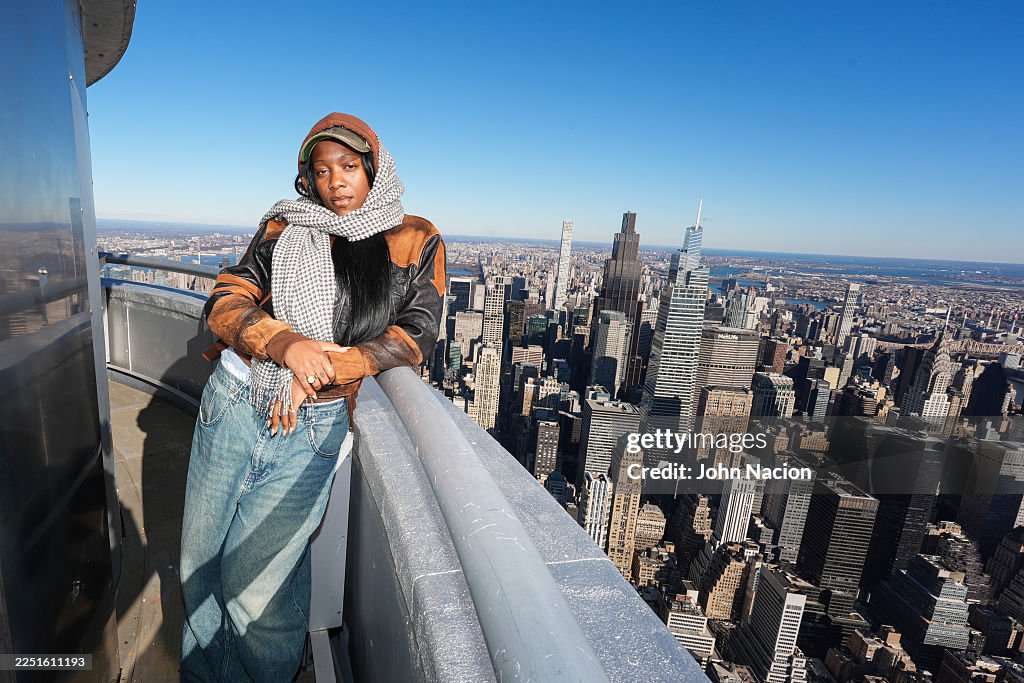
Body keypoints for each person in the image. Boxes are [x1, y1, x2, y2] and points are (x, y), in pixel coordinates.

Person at [179, 112, 445, 682]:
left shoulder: (414, 238)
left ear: (374, 168)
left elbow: (414, 334)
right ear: (309, 179)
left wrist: (324, 368)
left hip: (314, 427)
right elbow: (227, 300)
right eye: (322, 171)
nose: (336, 182)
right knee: (198, 567)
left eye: (349, 167)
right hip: (233, 400)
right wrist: (285, 343)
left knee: (259, 586)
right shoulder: (283, 226)